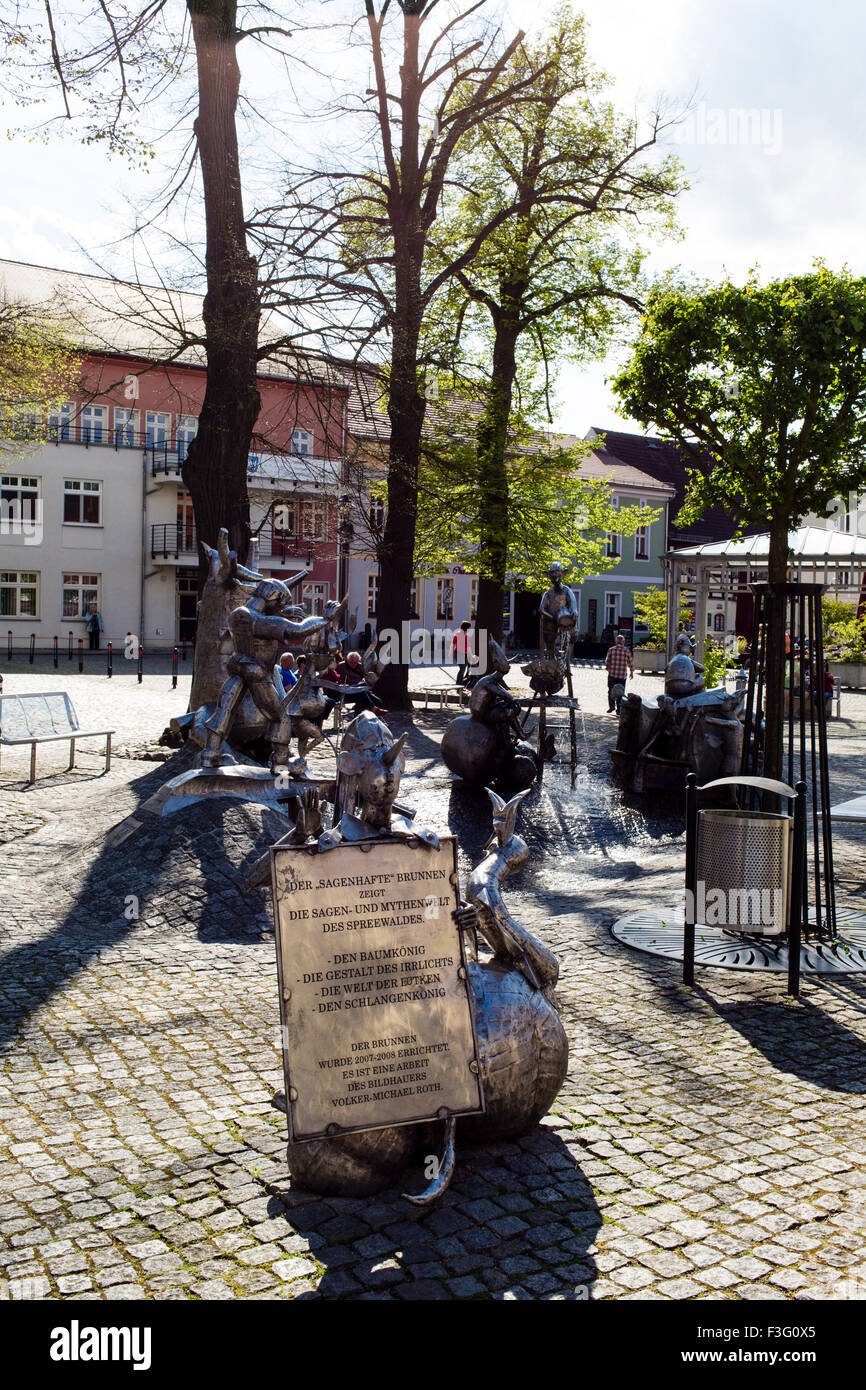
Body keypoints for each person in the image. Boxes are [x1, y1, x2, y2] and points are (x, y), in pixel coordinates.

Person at [337, 650, 386, 716]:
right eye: (351, 662)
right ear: (347, 660)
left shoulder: (361, 666)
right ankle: (364, 715)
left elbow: (365, 676)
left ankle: (368, 717)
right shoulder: (341, 666)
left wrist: (364, 681)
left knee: (378, 701)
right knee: (361, 698)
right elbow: (336, 679)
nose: (353, 664)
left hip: (360, 689)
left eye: (355, 662)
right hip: (347, 691)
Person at [605, 633, 634, 712]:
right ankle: (619, 709)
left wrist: (608, 669)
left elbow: (607, 661)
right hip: (622, 675)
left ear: (616, 641)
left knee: (611, 690)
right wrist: (631, 672)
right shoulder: (626, 650)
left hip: (612, 674)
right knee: (620, 692)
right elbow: (630, 662)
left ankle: (611, 706)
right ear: (623, 642)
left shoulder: (611, 649)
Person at [452, 621, 473, 685]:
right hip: (459, 653)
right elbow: (453, 643)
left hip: (465, 654)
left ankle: (463, 681)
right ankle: (458, 683)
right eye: (469, 627)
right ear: (466, 627)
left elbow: (468, 647)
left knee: (467, 667)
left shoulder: (466, 636)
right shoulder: (458, 634)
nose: (470, 629)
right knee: (462, 668)